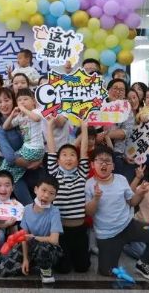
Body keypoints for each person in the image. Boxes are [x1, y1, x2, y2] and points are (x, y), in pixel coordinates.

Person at [85, 145, 149, 280]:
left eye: (108, 161)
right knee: (107, 272)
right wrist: (96, 198)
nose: (104, 164)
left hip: (129, 225)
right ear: (93, 164)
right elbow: (89, 212)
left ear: (113, 166)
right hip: (107, 234)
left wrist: (139, 194)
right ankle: (117, 252)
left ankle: (142, 263)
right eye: (100, 160)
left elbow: (132, 202)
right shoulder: (89, 184)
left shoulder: (121, 179)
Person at [0, 175, 64, 284]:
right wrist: (25, 259)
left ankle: (46, 270)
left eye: (51, 193)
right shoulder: (26, 209)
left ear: (55, 196)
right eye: (43, 190)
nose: (46, 195)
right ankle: (34, 264)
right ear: (36, 189)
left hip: (48, 248)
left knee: (43, 248)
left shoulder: (54, 211)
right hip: (30, 246)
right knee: (3, 270)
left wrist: (34, 238)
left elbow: (54, 240)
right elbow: (24, 236)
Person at [45, 117, 90, 274]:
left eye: (72, 155)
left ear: (77, 160)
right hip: (60, 231)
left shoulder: (82, 173)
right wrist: (49, 126)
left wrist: (84, 127)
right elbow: (51, 148)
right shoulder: (54, 172)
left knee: (83, 268)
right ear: (58, 160)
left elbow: (84, 150)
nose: (69, 158)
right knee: (63, 269)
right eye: (64, 155)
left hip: (80, 230)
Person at [0, 88, 41, 205]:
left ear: (14, 101)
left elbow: (40, 140)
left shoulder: (28, 117)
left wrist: (39, 160)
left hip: (35, 169)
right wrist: (30, 164)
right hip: (17, 173)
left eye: (7, 100)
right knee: (29, 205)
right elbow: (10, 157)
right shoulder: (0, 129)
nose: (3, 105)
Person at [0, 88, 44, 183]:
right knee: (14, 169)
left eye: (25, 99)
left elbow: (37, 119)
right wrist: (12, 115)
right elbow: (5, 127)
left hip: (35, 149)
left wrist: (23, 109)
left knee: (8, 162)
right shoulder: (20, 116)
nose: (22, 102)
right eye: (19, 100)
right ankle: (7, 182)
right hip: (27, 148)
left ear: (33, 101)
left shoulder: (36, 111)